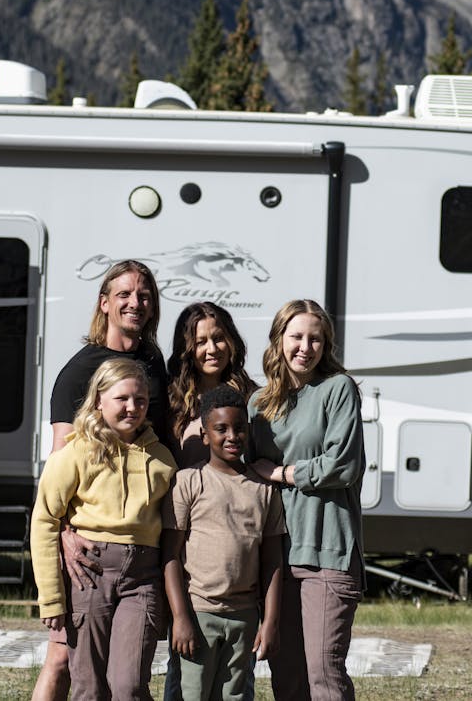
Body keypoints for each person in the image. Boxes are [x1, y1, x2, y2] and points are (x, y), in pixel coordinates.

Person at [33, 259, 169, 701]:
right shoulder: (80, 370)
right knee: (61, 660)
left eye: (144, 295)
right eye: (125, 294)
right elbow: (63, 466)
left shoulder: (152, 360)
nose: (136, 303)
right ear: (105, 303)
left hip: (138, 553)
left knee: (126, 679)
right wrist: (67, 534)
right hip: (86, 549)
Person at [248, 299, 365, 701]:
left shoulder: (338, 390)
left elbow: (342, 465)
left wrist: (281, 473)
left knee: (324, 674)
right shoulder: (259, 404)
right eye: (296, 336)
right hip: (276, 557)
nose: (305, 346)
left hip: (327, 554)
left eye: (315, 338)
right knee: (287, 680)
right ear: (279, 339)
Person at [162, 385, 284, 701]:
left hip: (244, 617)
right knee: (191, 693)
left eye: (239, 428)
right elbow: (171, 556)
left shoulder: (265, 490)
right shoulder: (188, 482)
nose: (232, 436)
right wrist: (180, 618)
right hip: (198, 614)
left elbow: (272, 562)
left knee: (236, 695)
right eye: (221, 429)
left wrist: (269, 623)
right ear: (205, 435)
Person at [167, 301, 257, 467]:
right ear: (186, 349)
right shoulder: (170, 402)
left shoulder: (252, 397)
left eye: (218, 338)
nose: (212, 349)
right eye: (201, 342)